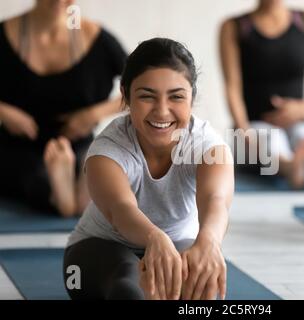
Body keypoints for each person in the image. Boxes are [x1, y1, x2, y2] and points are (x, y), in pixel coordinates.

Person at [63, 38, 234, 300]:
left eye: (176, 96)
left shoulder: (209, 146)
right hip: (100, 249)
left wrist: (209, 242)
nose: (162, 111)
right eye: (147, 96)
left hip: (176, 246)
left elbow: (216, 200)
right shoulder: (106, 151)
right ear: (126, 96)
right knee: (130, 288)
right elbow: (121, 210)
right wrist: (155, 237)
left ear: (192, 98)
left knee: (204, 288)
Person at [0, 0, 126, 217]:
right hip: (17, 148)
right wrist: (4, 111)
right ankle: (62, 198)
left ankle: (76, 194)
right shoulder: (4, 33)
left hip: (76, 145)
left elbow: (143, 88)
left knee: (98, 169)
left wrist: (92, 114)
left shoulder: (97, 39)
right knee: (34, 175)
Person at [219, 0, 304, 188]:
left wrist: (303, 108)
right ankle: (290, 167)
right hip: (252, 125)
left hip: (296, 123)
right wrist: (242, 130)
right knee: (272, 141)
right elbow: (232, 87)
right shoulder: (234, 27)